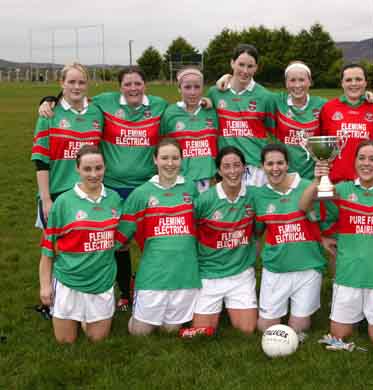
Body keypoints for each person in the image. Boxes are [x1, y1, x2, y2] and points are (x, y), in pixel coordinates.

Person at [39, 66, 170, 311]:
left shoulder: (159, 105)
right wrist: (49, 100)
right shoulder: (104, 103)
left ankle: (156, 288)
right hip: (112, 187)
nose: (133, 88)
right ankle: (121, 292)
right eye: (127, 84)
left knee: (153, 240)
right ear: (119, 87)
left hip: (145, 188)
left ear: (145, 85)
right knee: (116, 241)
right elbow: (75, 97)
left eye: (137, 84)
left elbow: (188, 105)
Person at [302, 140, 373, 345]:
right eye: (362, 158)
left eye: (372, 159)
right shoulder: (342, 189)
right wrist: (317, 178)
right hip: (349, 274)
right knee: (338, 337)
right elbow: (304, 205)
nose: (366, 163)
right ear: (355, 161)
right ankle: (361, 314)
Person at [116, 138, 200, 335]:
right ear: (155, 159)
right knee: (140, 332)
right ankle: (137, 293)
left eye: (175, 158)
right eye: (164, 158)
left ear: (182, 160)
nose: (170, 163)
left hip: (184, 273)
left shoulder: (191, 189)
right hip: (154, 273)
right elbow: (121, 236)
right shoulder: (141, 194)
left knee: (169, 331)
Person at [38, 145, 121, 343]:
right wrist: (44, 286)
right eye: (87, 169)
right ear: (77, 169)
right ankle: (67, 310)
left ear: (105, 168)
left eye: (98, 168)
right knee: (65, 341)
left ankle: (87, 317)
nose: (94, 174)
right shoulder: (64, 202)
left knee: (97, 339)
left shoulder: (115, 199)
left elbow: (121, 239)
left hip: (101, 280)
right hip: (69, 280)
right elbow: (48, 249)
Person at [253, 144, 326, 335]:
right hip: (276, 268)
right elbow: (257, 232)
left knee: (299, 328)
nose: (275, 168)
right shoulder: (259, 195)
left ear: (288, 165)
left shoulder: (308, 186)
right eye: (270, 164)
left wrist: (325, 238)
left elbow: (323, 219)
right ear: (262, 167)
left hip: (307, 267)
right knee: (265, 328)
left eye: (280, 163)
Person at [192, 146, 257, 334]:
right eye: (226, 166)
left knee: (247, 330)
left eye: (237, 165)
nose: (232, 171)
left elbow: (259, 231)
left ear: (244, 168)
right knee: (201, 332)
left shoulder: (253, 196)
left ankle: (233, 307)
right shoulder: (204, 200)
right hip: (209, 274)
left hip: (241, 274)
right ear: (219, 171)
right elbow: (190, 233)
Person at [32, 63, 102, 229]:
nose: (76, 87)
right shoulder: (48, 114)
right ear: (61, 83)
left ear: (87, 85)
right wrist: (46, 199)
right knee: (54, 250)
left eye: (81, 82)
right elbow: (41, 161)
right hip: (58, 193)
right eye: (71, 82)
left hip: (91, 192)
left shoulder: (97, 112)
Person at [208, 43, 274, 187]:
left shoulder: (265, 96)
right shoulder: (215, 93)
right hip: (227, 167)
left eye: (250, 66)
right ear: (232, 63)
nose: (245, 71)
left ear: (256, 68)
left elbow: (274, 133)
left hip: (255, 166)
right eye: (241, 65)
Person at [320, 64, 373, 183]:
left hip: (366, 180)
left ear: (366, 83)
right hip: (336, 180)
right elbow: (322, 146)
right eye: (348, 80)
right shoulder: (328, 108)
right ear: (342, 83)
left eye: (358, 79)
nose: (354, 84)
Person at [161, 67, 217, 193]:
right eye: (187, 87)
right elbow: (162, 145)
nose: (193, 92)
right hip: (180, 179)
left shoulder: (212, 111)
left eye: (197, 87)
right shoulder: (170, 113)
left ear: (203, 88)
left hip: (210, 180)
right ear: (179, 89)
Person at [268, 61, 327, 179]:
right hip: (283, 176)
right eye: (292, 80)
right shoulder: (276, 101)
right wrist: (228, 78)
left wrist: (364, 95)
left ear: (310, 81)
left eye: (301, 80)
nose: (297, 85)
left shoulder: (322, 104)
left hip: (313, 177)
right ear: (286, 83)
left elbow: (345, 105)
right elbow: (253, 93)